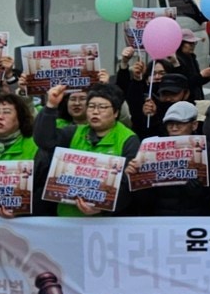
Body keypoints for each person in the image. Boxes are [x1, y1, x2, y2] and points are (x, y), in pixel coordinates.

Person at [33, 83, 135, 217]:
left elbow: (129, 184)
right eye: (91, 106)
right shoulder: (74, 132)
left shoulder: (128, 139)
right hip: (67, 218)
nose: (95, 111)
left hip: (105, 223)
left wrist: (102, 207)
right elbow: (44, 141)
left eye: (102, 107)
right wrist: (51, 106)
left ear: (115, 112)